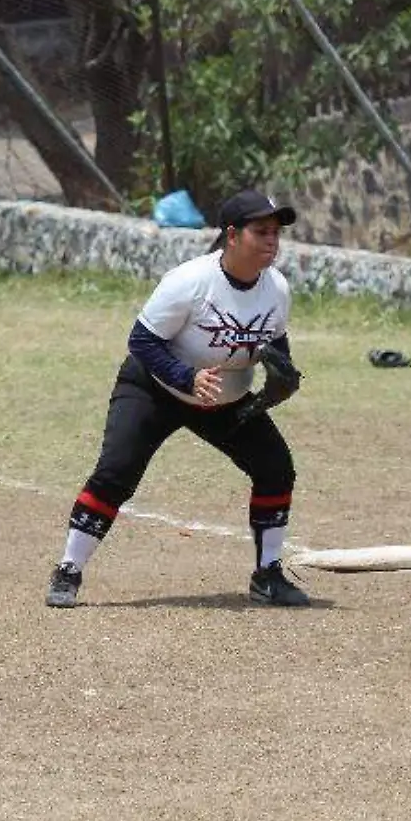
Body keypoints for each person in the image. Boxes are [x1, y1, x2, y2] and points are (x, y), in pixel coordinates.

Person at [45, 189, 311, 610]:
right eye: (260, 231)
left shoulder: (276, 288)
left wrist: (281, 378)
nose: (271, 241)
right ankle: (69, 569)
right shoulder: (191, 281)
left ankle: (269, 575)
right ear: (232, 236)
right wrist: (184, 377)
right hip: (154, 388)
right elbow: (142, 341)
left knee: (276, 468)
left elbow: (276, 343)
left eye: (276, 233)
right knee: (116, 473)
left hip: (222, 400)